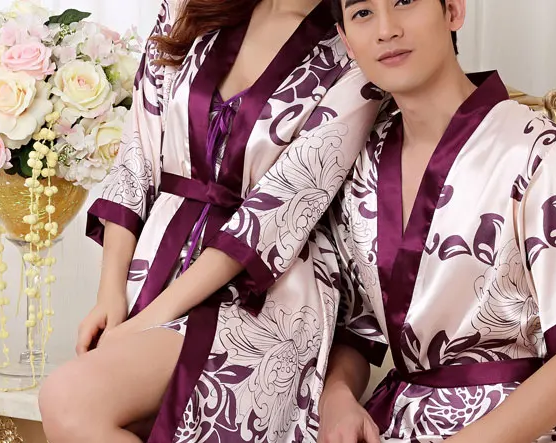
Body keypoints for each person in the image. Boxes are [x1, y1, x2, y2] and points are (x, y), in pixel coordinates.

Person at [37, 0, 383, 441]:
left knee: (69, 398)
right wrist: (110, 294)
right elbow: (137, 154)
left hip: (260, 293)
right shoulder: (188, 7)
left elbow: (277, 211)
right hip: (152, 265)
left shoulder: (353, 46)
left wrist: (150, 319)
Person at [316, 0, 556, 442]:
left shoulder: (538, 153)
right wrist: (336, 399)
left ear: (453, 10)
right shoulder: (361, 164)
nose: (386, 29)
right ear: (347, 42)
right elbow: (357, 330)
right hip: (398, 424)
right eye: (363, 13)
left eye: (404, 1)